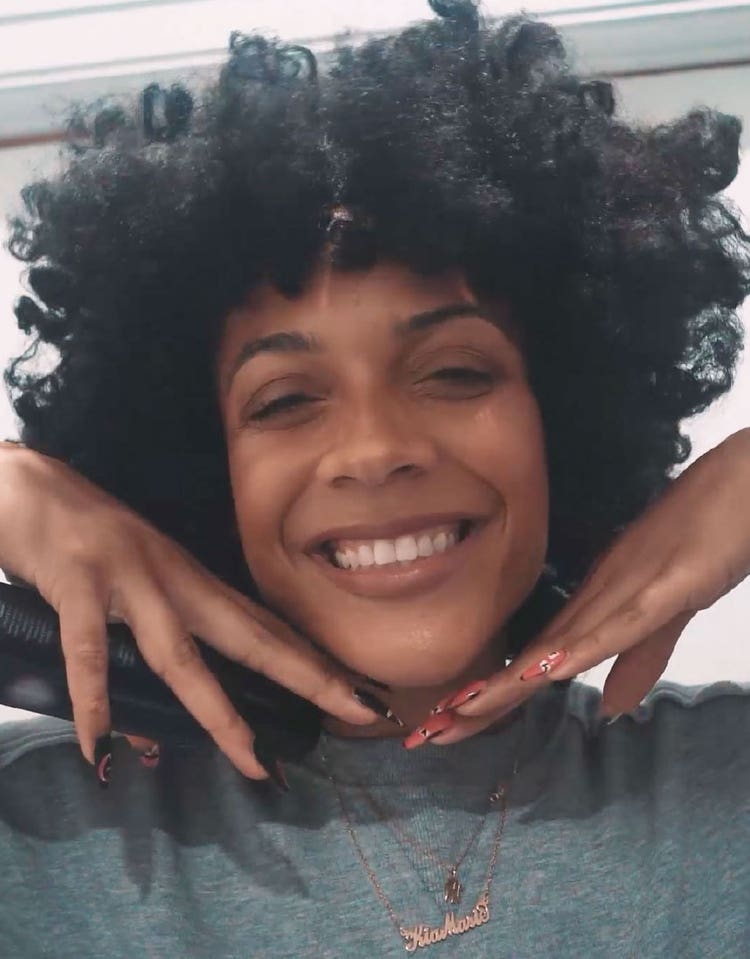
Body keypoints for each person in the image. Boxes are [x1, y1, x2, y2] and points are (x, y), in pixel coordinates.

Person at [0, 1, 748, 955]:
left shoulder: (723, 779)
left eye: (456, 372)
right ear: (205, 466)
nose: (375, 448)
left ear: (560, 414)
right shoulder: (42, 833)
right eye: (284, 399)